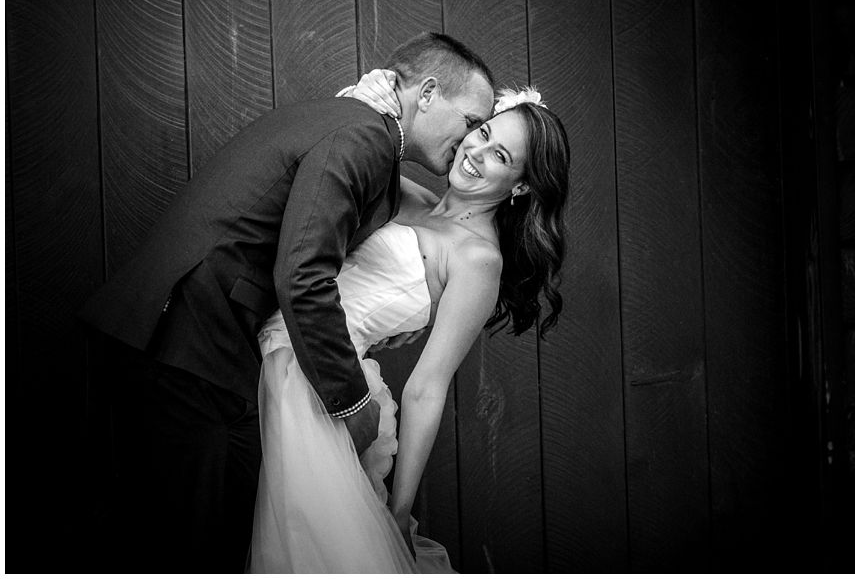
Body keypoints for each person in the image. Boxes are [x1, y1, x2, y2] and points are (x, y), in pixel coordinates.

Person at [77, 32, 495, 572]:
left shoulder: (349, 123)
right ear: (430, 92)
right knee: (194, 548)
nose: (467, 143)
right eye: (468, 124)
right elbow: (302, 272)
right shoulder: (363, 135)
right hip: (187, 341)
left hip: (179, 338)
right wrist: (352, 406)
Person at [248, 78, 571, 572]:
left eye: (501, 157)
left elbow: (426, 387)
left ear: (522, 185)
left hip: (314, 382)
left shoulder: (477, 259)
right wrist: (370, 88)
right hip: (282, 347)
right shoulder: (410, 197)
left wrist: (398, 514)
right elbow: (335, 159)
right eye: (482, 133)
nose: (476, 152)